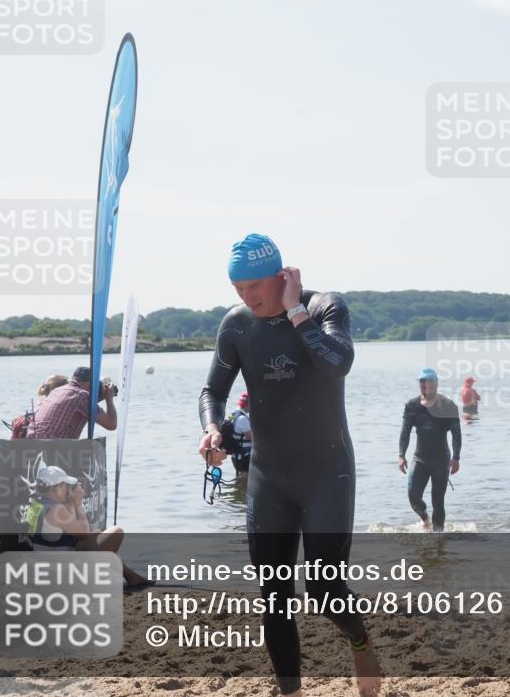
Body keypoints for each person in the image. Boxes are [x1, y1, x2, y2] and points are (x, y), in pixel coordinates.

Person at [197, 233, 380, 697]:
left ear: (282, 276)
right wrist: (213, 428)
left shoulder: (325, 308)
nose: (247, 298)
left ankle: (358, 639)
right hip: (269, 479)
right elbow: (212, 391)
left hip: (327, 475)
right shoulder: (237, 325)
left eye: (255, 287)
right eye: (238, 290)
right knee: (275, 598)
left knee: (323, 591)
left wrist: (296, 311)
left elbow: (338, 362)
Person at [24, 464, 150, 586]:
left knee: (94, 536)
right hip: (59, 572)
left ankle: (131, 576)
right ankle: (123, 577)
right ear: (57, 488)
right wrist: (78, 503)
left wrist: (71, 502)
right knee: (116, 532)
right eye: (65, 486)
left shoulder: (36, 504)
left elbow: (74, 532)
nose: (68, 488)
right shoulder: (57, 510)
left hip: (43, 565)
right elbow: (83, 533)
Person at [399, 368, 461, 531]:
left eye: (429, 382)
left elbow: (456, 434)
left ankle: (438, 536)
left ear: (436, 384)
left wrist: (456, 457)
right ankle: (425, 519)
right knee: (413, 497)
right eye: (422, 382)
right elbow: (405, 431)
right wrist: (401, 455)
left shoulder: (448, 406)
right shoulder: (412, 405)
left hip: (441, 460)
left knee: (438, 500)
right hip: (420, 459)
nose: (426, 386)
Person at [28, 366, 117, 439]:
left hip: (32, 447)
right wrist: (109, 399)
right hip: (54, 452)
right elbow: (111, 424)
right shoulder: (82, 397)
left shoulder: (56, 391)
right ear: (91, 384)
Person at [218, 392, 253, 473]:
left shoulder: (232, 415)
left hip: (236, 457)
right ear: (249, 404)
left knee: (240, 482)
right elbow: (254, 439)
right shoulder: (242, 419)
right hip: (245, 458)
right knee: (246, 482)